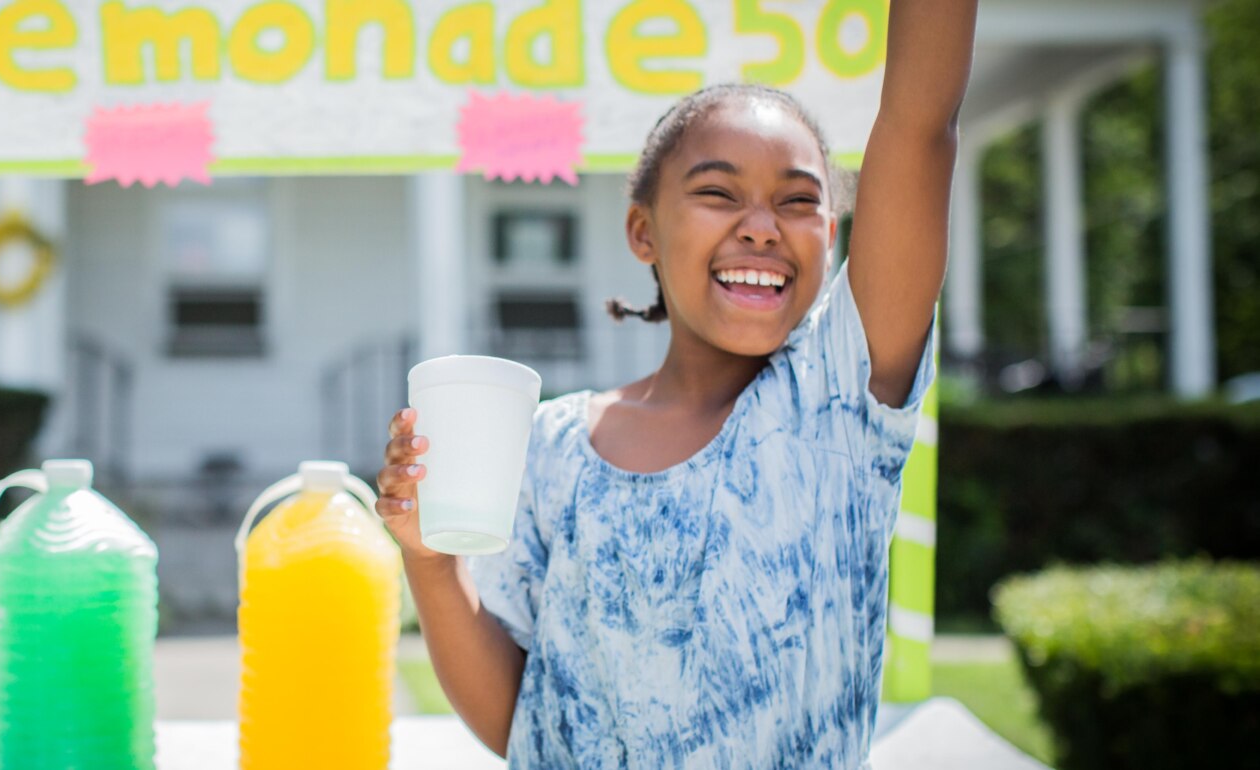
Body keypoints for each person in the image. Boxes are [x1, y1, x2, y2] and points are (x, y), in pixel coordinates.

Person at [374, 2, 979, 766]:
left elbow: (922, 128)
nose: (762, 225)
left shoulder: (837, 402)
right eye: (719, 193)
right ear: (643, 232)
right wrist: (430, 560)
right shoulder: (553, 445)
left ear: (832, 236)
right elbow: (524, 723)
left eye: (798, 201)